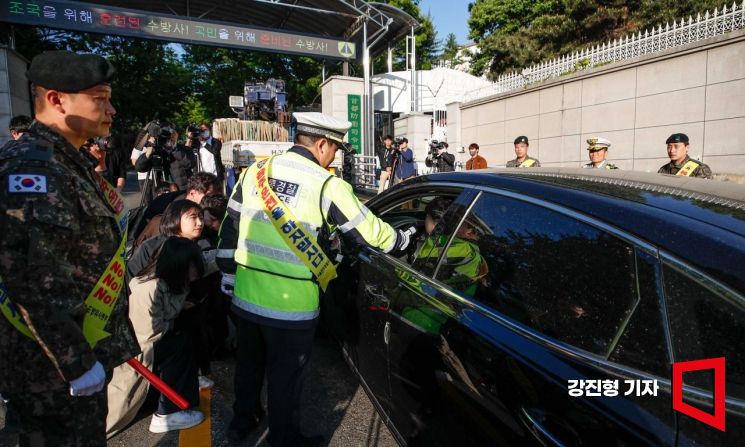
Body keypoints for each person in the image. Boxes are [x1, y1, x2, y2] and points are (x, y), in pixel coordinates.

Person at [217, 112, 417, 446]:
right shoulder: (326, 184)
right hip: (291, 307)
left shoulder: (256, 171)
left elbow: (230, 225)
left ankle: (242, 421)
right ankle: (283, 439)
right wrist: (404, 239)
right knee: (285, 378)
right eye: (335, 150)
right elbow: (368, 233)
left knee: (249, 366)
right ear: (321, 144)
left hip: (247, 295)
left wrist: (227, 275)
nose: (334, 158)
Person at [0, 50, 139, 445]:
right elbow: (29, 276)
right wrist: (75, 363)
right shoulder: (33, 168)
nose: (110, 109)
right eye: (100, 98)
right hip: (49, 370)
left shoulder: (67, 161)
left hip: (76, 353)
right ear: (57, 99)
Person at [107, 236, 205, 435]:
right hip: (140, 352)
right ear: (179, 265)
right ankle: (168, 413)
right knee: (180, 344)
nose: (198, 270)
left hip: (150, 343)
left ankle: (175, 396)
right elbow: (148, 335)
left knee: (184, 335)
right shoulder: (148, 287)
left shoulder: (171, 281)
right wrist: (174, 317)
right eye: (194, 265)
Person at [131, 172, 218, 250]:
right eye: (209, 196)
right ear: (192, 193)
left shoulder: (211, 211)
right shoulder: (162, 207)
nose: (213, 200)